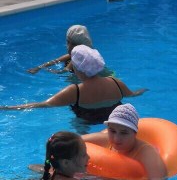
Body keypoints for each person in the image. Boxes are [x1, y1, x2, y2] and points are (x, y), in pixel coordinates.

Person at [1, 45, 146, 124]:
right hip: (113, 119)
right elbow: (133, 95)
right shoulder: (116, 83)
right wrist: (143, 90)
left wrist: (7, 108)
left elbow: (43, 104)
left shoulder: (75, 91)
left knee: (78, 126)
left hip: (86, 120)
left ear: (76, 69)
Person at [82, 103, 167, 180]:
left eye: (124, 133)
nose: (116, 139)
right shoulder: (104, 139)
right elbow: (72, 141)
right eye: (112, 131)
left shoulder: (146, 152)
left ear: (134, 133)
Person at [27, 25, 114, 77]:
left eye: (68, 43)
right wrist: (38, 68)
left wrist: (50, 71)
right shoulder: (73, 56)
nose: (67, 45)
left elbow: (64, 71)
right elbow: (55, 61)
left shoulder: (78, 59)